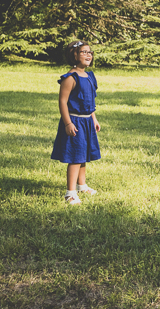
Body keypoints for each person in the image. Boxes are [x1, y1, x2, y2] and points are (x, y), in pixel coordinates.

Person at [51, 40, 101, 205]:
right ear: (74, 55)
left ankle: (82, 185)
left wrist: (94, 119)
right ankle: (70, 193)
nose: (89, 55)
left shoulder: (89, 76)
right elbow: (62, 102)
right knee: (75, 157)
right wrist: (67, 123)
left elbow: (89, 102)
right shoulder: (70, 78)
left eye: (90, 52)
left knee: (84, 155)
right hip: (74, 122)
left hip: (87, 122)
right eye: (84, 52)